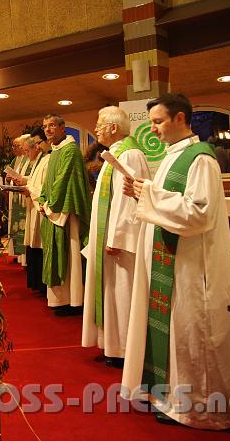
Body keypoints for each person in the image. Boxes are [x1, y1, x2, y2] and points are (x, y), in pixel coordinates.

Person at [121, 93, 230, 429]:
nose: (154, 130)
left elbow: (198, 213)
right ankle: (173, 397)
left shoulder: (200, 158)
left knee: (192, 332)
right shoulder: (173, 157)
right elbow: (164, 203)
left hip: (192, 265)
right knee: (176, 332)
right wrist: (143, 191)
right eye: (151, 124)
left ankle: (201, 408)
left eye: (158, 122)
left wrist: (149, 194)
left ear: (180, 119)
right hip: (172, 261)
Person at [81, 107, 150, 369]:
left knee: (121, 289)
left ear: (113, 128)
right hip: (108, 237)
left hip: (118, 243)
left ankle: (123, 347)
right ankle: (112, 343)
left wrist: (117, 237)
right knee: (111, 290)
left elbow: (129, 199)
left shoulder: (130, 153)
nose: (96, 128)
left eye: (99, 124)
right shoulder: (114, 153)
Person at [37, 114, 92, 316]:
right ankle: (61, 299)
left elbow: (63, 181)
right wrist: (43, 200)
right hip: (55, 210)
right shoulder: (55, 151)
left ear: (62, 128)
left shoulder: (70, 151)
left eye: (52, 125)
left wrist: (50, 205)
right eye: (45, 127)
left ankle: (73, 299)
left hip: (68, 213)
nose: (48, 130)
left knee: (70, 253)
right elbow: (47, 182)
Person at [15, 131, 51, 294]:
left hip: (41, 207)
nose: (27, 153)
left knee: (39, 244)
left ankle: (41, 283)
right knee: (34, 243)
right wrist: (27, 183)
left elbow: (46, 185)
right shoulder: (40, 161)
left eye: (28, 150)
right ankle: (36, 282)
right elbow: (36, 181)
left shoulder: (47, 160)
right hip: (34, 205)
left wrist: (29, 188)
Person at [6, 134, 31, 264]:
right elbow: (8, 175)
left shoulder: (30, 159)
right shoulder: (15, 160)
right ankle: (20, 256)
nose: (14, 148)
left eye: (17, 146)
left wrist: (20, 179)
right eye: (13, 146)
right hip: (15, 196)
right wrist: (8, 179)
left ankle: (26, 258)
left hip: (25, 196)